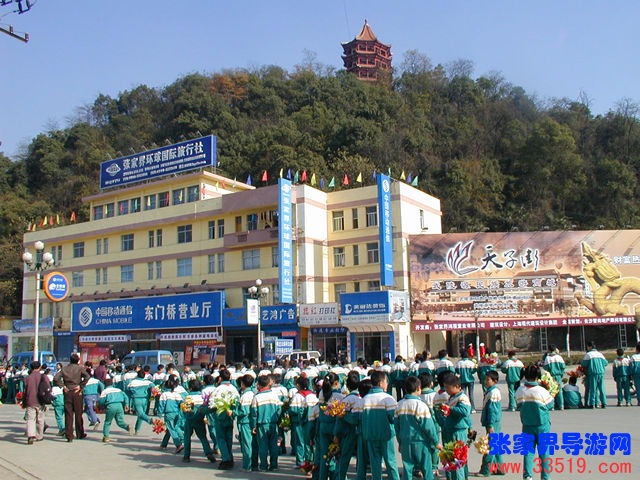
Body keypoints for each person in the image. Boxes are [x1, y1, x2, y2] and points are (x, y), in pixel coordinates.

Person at [394, 376, 441, 480]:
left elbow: (397, 427)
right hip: (421, 442)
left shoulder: (399, 405)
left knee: (407, 469)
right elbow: (428, 427)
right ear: (419, 388)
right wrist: (436, 442)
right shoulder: (421, 405)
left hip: (406, 441)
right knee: (426, 469)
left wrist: (400, 442)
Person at [515, 365, 554, 480]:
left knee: (528, 452)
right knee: (544, 452)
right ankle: (545, 477)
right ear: (538, 376)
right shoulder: (542, 391)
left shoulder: (520, 390)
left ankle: (528, 476)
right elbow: (550, 405)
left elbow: (519, 405)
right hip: (542, 425)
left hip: (527, 424)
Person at [361, 370, 400, 480]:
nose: (387, 384)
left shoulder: (365, 399)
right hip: (386, 436)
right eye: (386, 382)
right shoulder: (388, 399)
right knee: (390, 462)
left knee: (375, 464)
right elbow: (393, 418)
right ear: (380, 383)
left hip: (371, 436)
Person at [310, 372, 343, 480]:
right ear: (336, 383)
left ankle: (322, 477)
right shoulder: (339, 396)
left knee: (324, 455)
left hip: (323, 426)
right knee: (336, 455)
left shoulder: (321, 393)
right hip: (334, 427)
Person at [54, 353, 90, 442]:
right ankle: (80, 433)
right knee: (78, 414)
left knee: (68, 414)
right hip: (77, 392)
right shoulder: (80, 368)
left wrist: (63, 386)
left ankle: (69, 435)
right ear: (78, 361)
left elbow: (56, 378)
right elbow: (87, 376)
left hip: (67, 392)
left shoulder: (64, 369)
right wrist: (81, 386)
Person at [250, 374, 283, 471]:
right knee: (273, 445)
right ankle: (274, 465)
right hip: (273, 423)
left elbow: (254, 414)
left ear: (259, 385)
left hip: (261, 425)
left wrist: (253, 426)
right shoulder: (274, 395)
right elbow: (279, 410)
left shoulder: (257, 397)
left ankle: (263, 466)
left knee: (263, 446)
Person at [181, 379, 216, 464]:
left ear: (190, 388)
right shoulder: (202, 397)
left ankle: (186, 456)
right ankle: (208, 453)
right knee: (203, 437)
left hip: (189, 420)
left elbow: (186, 410)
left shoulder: (188, 397)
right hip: (200, 419)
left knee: (187, 437)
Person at [333, 371, 361, 480]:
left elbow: (339, 418)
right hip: (360, 432)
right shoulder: (362, 398)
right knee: (361, 458)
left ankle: (342, 477)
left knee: (344, 458)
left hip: (348, 432)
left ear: (348, 387)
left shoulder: (346, 400)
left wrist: (336, 434)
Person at [444, 375, 472, 480]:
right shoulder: (453, 397)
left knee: (458, 458)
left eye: (448, 388)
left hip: (458, 431)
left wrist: (450, 409)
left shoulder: (462, 398)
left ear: (456, 386)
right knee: (455, 457)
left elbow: (465, 412)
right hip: (452, 429)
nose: (446, 390)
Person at [211, 368, 240, 469]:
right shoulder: (234, 389)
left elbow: (212, 403)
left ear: (220, 378)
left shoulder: (218, 389)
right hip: (230, 416)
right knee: (228, 438)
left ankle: (226, 459)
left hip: (220, 415)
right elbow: (237, 402)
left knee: (221, 438)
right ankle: (230, 457)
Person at [478, 370, 505, 477]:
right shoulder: (490, 391)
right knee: (496, 445)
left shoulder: (493, 393)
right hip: (493, 422)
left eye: (488, 380)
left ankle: (486, 469)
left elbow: (492, 411)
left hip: (493, 423)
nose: (486, 381)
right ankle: (500, 468)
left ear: (495, 381)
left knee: (490, 446)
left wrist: (490, 425)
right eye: (485, 379)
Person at [289, 375, 317, 467]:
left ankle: (300, 461)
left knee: (300, 442)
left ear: (298, 385)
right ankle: (310, 460)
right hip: (311, 421)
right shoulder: (312, 395)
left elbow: (293, 410)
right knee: (310, 441)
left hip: (298, 422)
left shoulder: (297, 396)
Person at [98, 378, 133, 442]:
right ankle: (127, 427)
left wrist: (101, 407)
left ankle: (106, 437)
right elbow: (126, 397)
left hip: (111, 406)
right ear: (112, 384)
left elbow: (101, 401)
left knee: (108, 422)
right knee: (120, 421)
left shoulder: (105, 391)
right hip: (119, 405)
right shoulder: (118, 390)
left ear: (104, 385)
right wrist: (127, 405)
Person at [23, 361, 49, 444]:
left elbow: (25, 390)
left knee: (30, 419)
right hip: (41, 401)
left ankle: (31, 435)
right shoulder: (43, 377)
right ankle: (39, 435)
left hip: (30, 400)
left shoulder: (27, 378)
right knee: (40, 419)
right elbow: (48, 387)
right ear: (40, 367)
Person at [158, 375, 185, 453]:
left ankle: (178, 444)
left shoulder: (164, 394)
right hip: (177, 413)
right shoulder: (177, 394)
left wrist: (159, 414)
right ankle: (164, 444)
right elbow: (181, 404)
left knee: (171, 429)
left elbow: (161, 405)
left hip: (169, 413)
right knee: (172, 428)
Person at [237, 374, 258, 472]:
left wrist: (234, 412)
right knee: (253, 444)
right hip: (251, 422)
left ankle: (247, 466)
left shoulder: (245, 396)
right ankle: (254, 464)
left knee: (246, 445)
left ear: (242, 383)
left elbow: (244, 411)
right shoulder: (253, 393)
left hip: (245, 422)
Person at [581, 341, 608, 408]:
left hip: (592, 373)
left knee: (593, 388)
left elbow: (584, 364)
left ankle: (592, 403)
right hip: (600, 373)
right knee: (601, 388)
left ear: (590, 347)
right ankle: (604, 403)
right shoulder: (600, 354)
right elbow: (606, 363)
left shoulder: (588, 355)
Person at [542, 346, 565, 411]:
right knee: (559, 390)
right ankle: (561, 405)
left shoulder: (548, 358)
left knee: (551, 391)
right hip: (558, 375)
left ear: (549, 350)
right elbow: (563, 366)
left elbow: (546, 368)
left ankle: (552, 406)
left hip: (551, 376)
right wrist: (561, 373)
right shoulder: (559, 357)